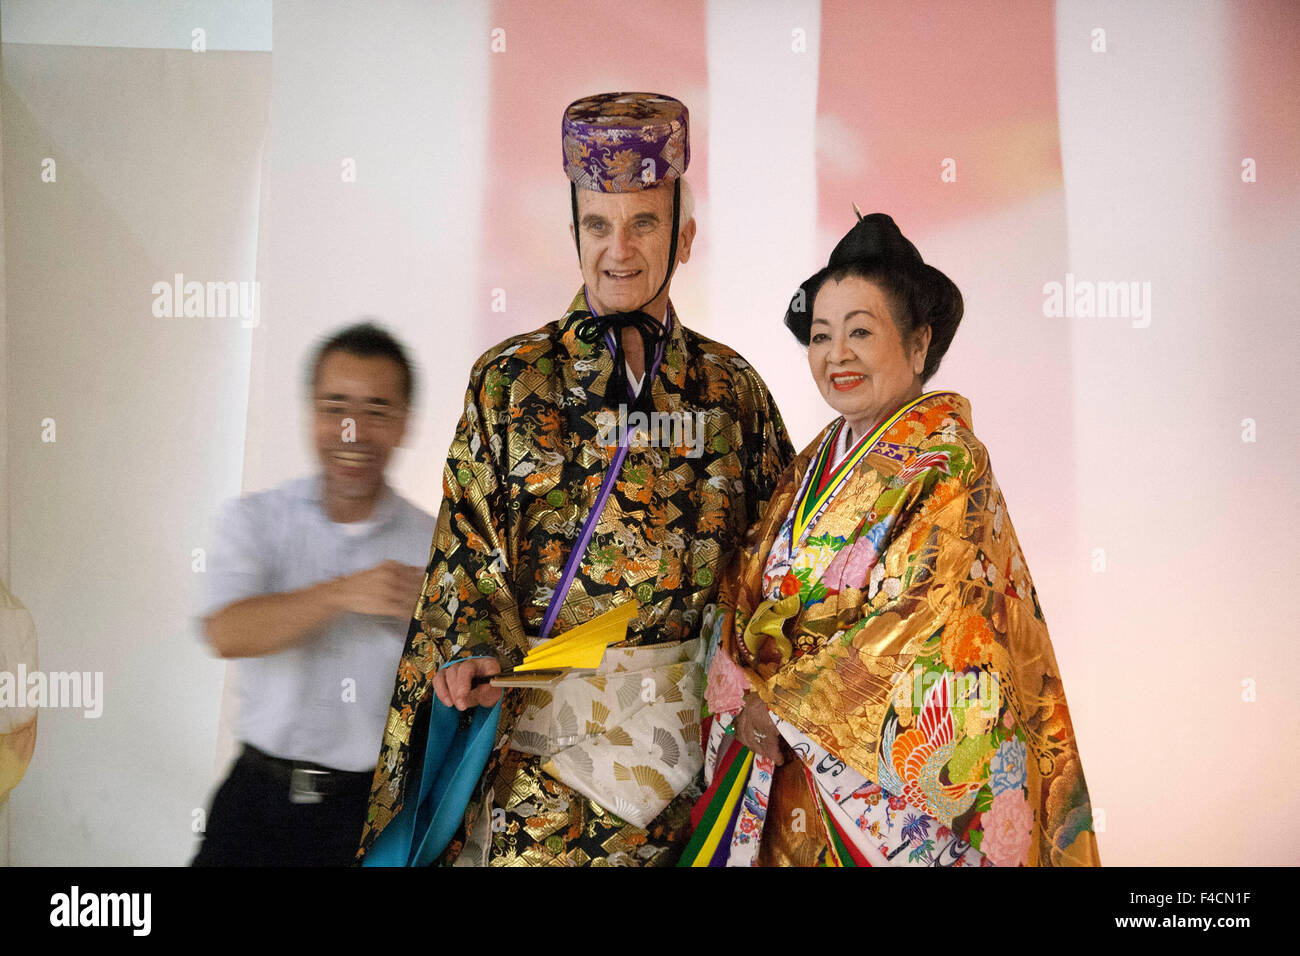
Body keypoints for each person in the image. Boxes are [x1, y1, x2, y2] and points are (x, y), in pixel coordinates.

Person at [357, 92, 793, 867]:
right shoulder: (508, 383)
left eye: (643, 223)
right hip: (539, 789)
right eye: (598, 225)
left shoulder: (733, 392)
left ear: (684, 235)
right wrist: (470, 649)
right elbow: (465, 559)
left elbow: (779, 572)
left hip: (686, 790)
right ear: (573, 234)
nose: (618, 248)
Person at [687, 212, 1100, 867]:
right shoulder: (811, 464)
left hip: (890, 800)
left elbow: (927, 615)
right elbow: (748, 586)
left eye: (860, 331)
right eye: (821, 336)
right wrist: (738, 678)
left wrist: (789, 705)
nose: (836, 355)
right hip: (794, 778)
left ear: (917, 344)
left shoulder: (951, 462)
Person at [192, 323, 435, 866]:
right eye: (335, 406)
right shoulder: (255, 520)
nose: (353, 430)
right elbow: (224, 632)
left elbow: (462, 683)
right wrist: (344, 592)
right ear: (311, 413)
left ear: (403, 425)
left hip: (372, 815)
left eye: (377, 410)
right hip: (257, 801)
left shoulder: (435, 546)